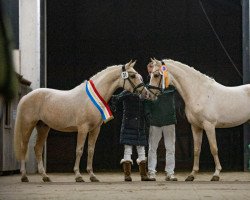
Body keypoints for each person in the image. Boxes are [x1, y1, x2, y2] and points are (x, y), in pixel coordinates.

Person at [145, 62, 178, 181]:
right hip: (155, 121)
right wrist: (149, 117)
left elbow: (168, 74)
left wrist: (163, 70)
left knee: (170, 148)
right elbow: (146, 105)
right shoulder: (148, 86)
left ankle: (170, 173)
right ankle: (151, 172)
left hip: (169, 120)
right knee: (152, 148)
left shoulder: (170, 85)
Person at [111, 90, 152, 181]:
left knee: (141, 150)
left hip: (140, 126)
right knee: (128, 150)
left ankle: (144, 175)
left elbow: (148, 107)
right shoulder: (126, 92)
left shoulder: (144, 93)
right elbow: (116, 98)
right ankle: (127, 175)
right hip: (128, 125)